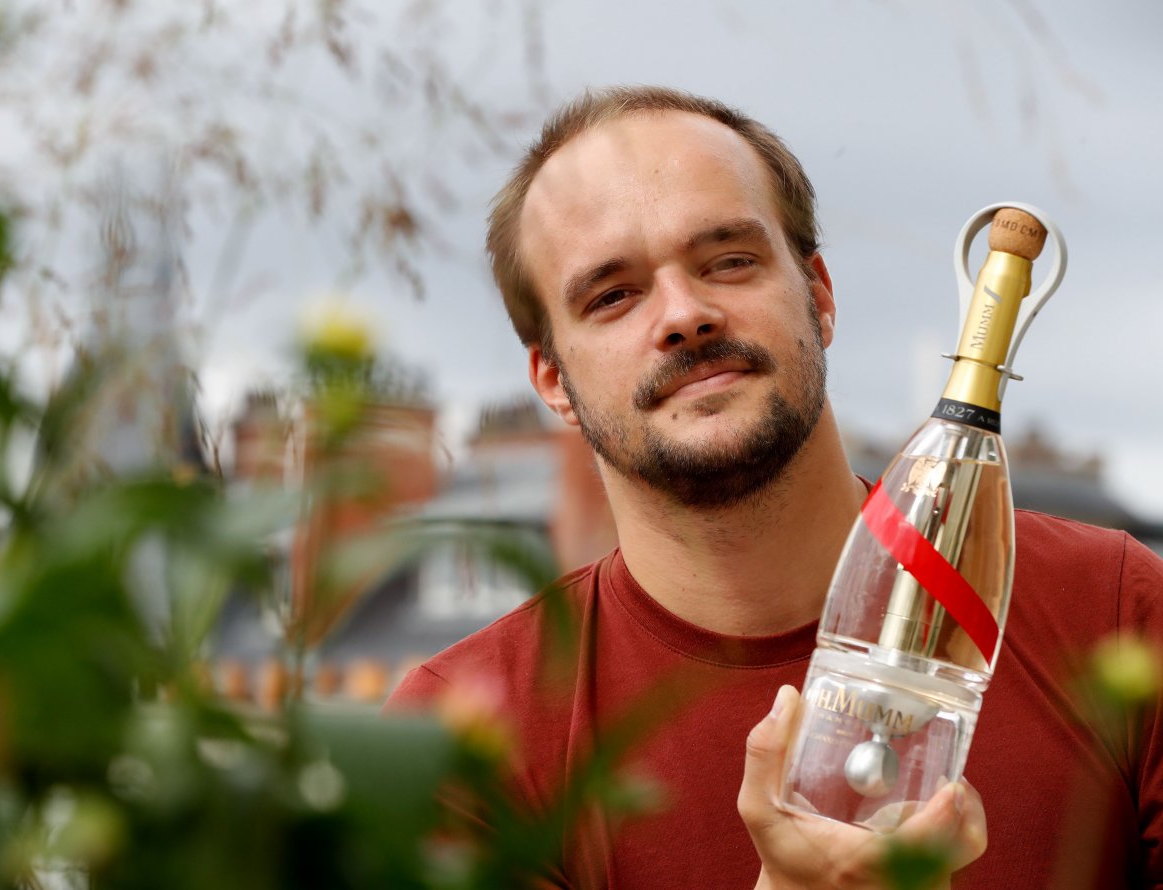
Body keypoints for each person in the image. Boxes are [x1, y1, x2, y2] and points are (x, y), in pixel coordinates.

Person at [387, 86, 1163, 888]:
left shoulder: (1115, 610)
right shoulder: (461, 739)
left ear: (819, 297)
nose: (685, 314)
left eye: (729, 261)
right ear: (552, 379)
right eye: (613, 296)